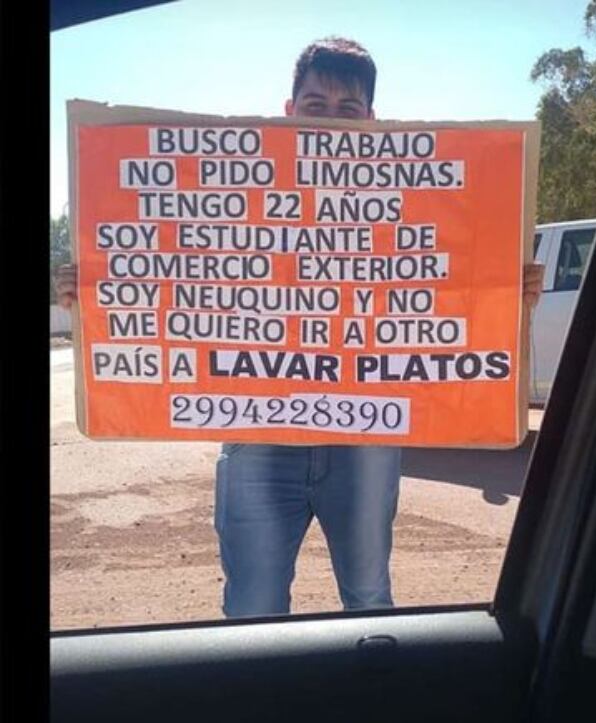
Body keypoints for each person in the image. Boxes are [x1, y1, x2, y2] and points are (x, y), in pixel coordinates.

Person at [55, 37, 545, 617]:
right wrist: (95, 288)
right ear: (288, 114)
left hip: (364, 439)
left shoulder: (412, 209)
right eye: (316, 106)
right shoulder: (235, 206)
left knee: (369, 601)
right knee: (252, 608)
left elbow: (452, 290)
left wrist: (508, 294)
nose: (331, 122)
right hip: (258, 437)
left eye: (347, 110)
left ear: (371, 121)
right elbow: (170, 271)